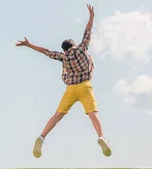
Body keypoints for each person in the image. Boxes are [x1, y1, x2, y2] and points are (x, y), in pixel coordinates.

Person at [15, 4, 111, 158]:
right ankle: (101, 137)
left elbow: (45, 51)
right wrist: (91, 16)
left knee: (57, 115)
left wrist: (28, 45)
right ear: (74, 46)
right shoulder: (82, 48)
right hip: (85, 87)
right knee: (93, 114)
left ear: (65, 50)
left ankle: (42, 137)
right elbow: (87, 31)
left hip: (71, 89)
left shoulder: (63, 56)